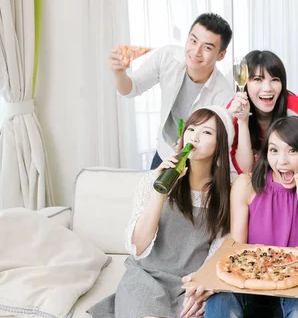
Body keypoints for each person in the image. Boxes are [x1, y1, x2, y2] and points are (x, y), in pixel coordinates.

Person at [87, 106, 235, 318]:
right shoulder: (154, 180)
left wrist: (203, 285)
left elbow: (218, 253)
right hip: (145, 278)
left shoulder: (226, 195)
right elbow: (138, 247)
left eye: (207, 132)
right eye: (191, 129)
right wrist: (159, 192)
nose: (195, 137)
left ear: (220, 144)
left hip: (188, 285)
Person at [203, 116, 298, 318]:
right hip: (249, 284)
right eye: (274, 150)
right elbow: (237, 252)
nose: (282, 160)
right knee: (219, 302)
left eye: (292, 150)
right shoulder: (246, 184)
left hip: (294, 286)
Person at [109, 13, 234, 169]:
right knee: (150, 193)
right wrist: (119, 74)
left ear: (221, 55)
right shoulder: (167, 57)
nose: (196, 52)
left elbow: (221, 143)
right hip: (164, 154)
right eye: (193, 41)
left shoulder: (224, 95)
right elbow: (131, 89)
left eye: (207, 47)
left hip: (198, 165)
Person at [227, 50, 298, 174]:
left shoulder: (295, 110)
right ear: (245, 83)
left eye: (275, 80)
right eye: (257, 79)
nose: (267, 88)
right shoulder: (234, 110)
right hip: (252, 182)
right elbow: (246, 172)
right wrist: (243, 121)